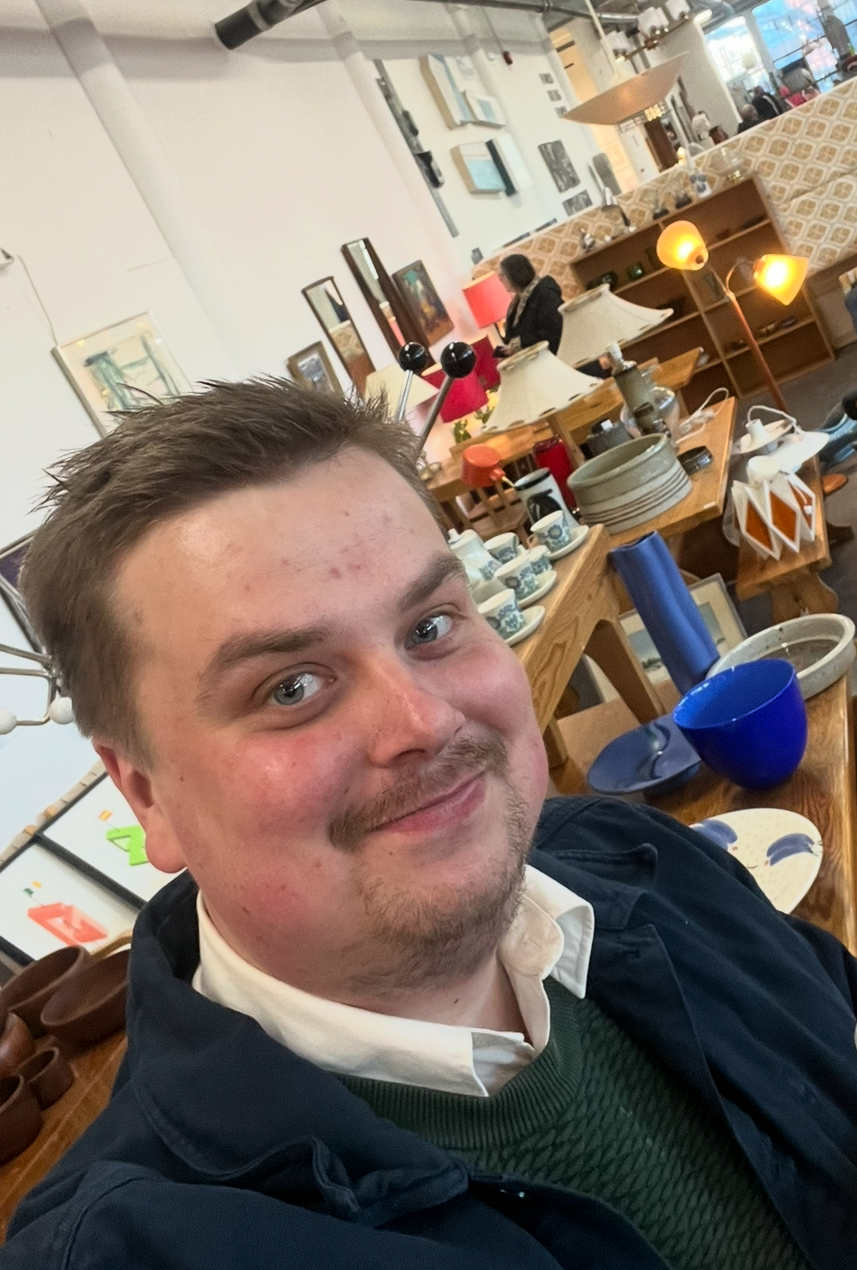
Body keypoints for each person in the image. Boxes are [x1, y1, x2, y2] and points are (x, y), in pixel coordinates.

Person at [3, 379, 857, 1270]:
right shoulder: (130, 1253)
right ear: (146, 793)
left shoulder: (641, 861)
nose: (424, 722)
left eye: (431, 625)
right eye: (289, 686)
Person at [495, 253, 609, 378]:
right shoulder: (516, 305)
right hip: (548, 368)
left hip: (569, 364)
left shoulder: (545, 294)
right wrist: (509, 350)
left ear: (515, 273)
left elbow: (555, 332)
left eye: (502, 275)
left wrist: (520, 343)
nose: (500, 280)